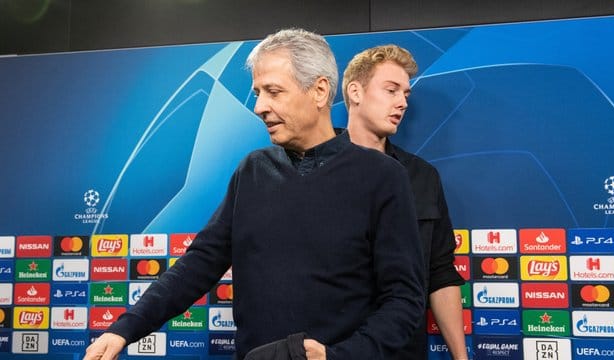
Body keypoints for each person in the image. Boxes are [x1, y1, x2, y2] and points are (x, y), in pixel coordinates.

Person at [83, 29, 425, 360]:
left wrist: (339, 356)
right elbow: (197, 265)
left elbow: (404, 300)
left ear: (320, 91)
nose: (260, 106)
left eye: (273, 92)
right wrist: (124, 330)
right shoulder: (252, 171)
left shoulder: (382, 177)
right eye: (257, 92)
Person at [343, 45, 468, 359]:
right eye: (391, 90)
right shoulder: (309, 168)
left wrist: (461, 357)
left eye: (406, 95)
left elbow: (440, 272)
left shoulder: (423, 177)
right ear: (355, 92)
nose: (401, 102)